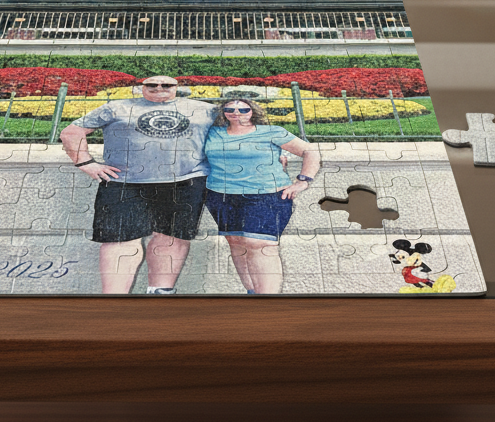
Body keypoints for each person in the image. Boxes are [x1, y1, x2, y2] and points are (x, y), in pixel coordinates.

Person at [60, 76, 216, 294]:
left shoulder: (205, 109)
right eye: (152, 85)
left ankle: (160, 292)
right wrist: (85, 163)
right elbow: (71, 132)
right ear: (142, 87)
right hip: (124, 182)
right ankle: (114, 299)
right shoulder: (116, 108)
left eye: (166, 85)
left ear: (176, 87)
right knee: (119, 241)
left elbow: (241, 133)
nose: (159, 88)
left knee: (171, 238)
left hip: (185, 181)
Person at [203, 96, 321, 294]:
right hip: (221, 196)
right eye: (230, 109)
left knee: (261, 244)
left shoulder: (272, 131)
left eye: (243, 110)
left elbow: (310, 151)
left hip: (267, 196)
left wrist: (303, 181)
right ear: (223, 113)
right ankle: (252, 292)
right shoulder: (213, 133)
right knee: (236, 242)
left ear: (253, 112)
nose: (236, 113)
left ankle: (267, 299)